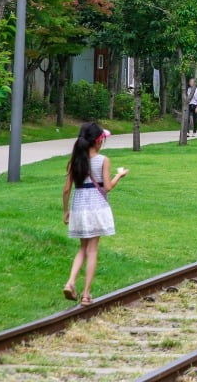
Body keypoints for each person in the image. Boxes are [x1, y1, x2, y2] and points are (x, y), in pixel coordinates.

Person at [62, 122, 128, 305]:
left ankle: (70, 282)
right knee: (92, 250)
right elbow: (107, 187)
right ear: (98, 141)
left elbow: (66, 190)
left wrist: (66, 211)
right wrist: (119, 175)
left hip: (79, 207)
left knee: (82, 248)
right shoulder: (103, 160)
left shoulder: (75, 161)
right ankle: (85, 294)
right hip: (97, 208)